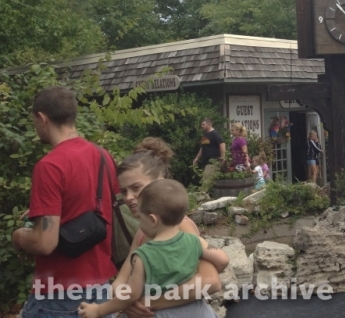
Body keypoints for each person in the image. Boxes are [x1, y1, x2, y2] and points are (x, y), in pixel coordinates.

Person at [12, 87, 118, 315]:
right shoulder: (102, 155)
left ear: (42, 118)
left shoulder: (49, 166)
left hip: (58, 296)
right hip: (101, 291)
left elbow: (44, 243)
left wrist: (19, 236)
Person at [78, 180, 228, 318]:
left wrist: (98, 310)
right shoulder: (195, 241)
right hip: (197, 311)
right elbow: (223, 260)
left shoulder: (142, 256)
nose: (140, 225)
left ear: (152, 220)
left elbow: (132, 295)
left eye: (141, 220)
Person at [116, 137, 225, 317]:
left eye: (136, 188)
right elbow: (121, 281)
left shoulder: (180, 226)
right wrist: (124, 302)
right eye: (123, 191)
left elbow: (210, 281)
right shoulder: (143, 232)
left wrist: (144, 302)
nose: (128, 197)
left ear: (161, 182)